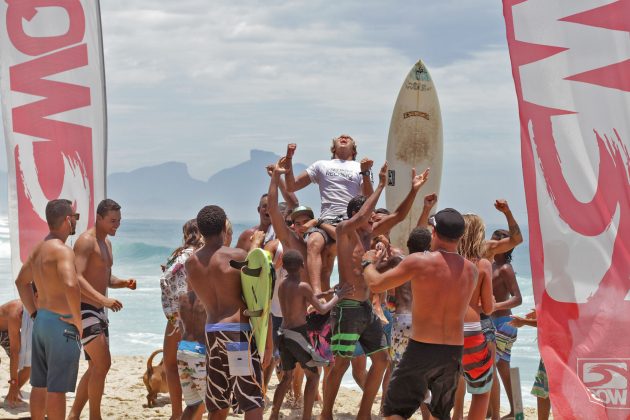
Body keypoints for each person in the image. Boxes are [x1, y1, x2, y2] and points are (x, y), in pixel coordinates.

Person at [363, 208, 478, 420]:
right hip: (453, 351)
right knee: (439, 413)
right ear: (460, 237)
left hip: (422, 348)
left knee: (395, 411)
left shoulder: (419, 261)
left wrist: (367, 262)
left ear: (433, 232)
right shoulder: (471, 270)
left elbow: (376, 284)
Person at [185, 205, 270, 419]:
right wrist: (257, 246)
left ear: (201, 230)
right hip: (236, 335)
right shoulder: (237, 255)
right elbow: (254, 287)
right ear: (224, 227)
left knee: (218, 400)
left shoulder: (191, 264)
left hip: (212, 334)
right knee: (251, 399)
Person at [320, 163, 389, 420]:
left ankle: (364, 414)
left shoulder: (370, 239)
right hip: (347, 308)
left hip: (365, 308)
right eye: (369, 216)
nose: (372, 220)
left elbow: (398, 217)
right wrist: (379, 184)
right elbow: (360, 217)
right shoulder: (344, 231)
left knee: (382, 360)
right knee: (340, 365)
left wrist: (415, 193)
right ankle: (326, 414)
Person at [66, 199, 136, 420]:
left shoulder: (107, 243)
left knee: (96, 366)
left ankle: (74, 414)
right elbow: (76, 279)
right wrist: (103, 301)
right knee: (103, 364)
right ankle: (95, 416)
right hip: (84, 308)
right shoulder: (86, 242)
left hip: (98, 311)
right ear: (99, 218)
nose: (117, 225)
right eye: (113, 221)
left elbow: (102, 278)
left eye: (119, 221)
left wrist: (122, 282)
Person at [15, 199, 82, 420]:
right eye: (75, 217)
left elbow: (20, 282)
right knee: (57, 388)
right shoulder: (62, 251)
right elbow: (71, 284)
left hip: (42, 321)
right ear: (67, 220)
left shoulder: (38, 249)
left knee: (39, 383)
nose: (75, 221)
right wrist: (77, 319)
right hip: (61, 324)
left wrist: (34, 312)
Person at [284, 137, 374, 295]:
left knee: (352, 261)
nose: (344, 137)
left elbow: (369, 199)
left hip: (349, 220)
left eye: (348, 138)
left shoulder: (360, 167)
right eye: (340, 138)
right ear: (333, 149)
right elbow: (292, 185)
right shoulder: (321, 165)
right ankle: (317, 293)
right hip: (326, 220)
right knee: (313, 242)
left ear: (354, 150)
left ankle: (354, 296)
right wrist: (289, 160)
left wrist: (366, 172)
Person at [270, 250, 351, 420]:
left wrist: (326, 293)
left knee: (286, 378)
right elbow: (321, 309)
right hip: (297, 335)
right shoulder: (303, 286)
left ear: (283, 266)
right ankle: (306, 417)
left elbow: (300, 299)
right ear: (302, 266)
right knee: (313, 376)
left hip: (283, 333)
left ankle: (274, 415)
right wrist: (338, 296)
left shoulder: (283, 284)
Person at [158, 219, 204, 420]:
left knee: (171, 365)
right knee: (200, 367)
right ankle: (198, 410)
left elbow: (167, 281)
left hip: (174, 318)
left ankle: (176, 413)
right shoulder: (202, 256)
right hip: (195, 317)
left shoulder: (176, 255)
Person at [452, 214, 495, 420]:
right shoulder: (483, 264)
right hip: (471, 331)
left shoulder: (448, 260)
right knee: (481, 389)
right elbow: (488, 308)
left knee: (444, 390)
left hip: (446, 330)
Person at [489, 229, 523, 420]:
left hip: (503, 322)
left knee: (498, 367)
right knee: (499, 367)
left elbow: (518, 298)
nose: (491, 244)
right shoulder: (491, 265)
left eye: (495, 241)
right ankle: (510, 410)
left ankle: (513, 411)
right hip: (492, 322)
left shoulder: (505, 268)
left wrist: (495, 305)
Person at [509, 310, 550, 420]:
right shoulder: (566, 296)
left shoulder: (566, 295)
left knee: (543, 389)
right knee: (544, 389)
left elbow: (552, 323)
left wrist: (524, 321)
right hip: (558, 348)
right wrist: (540, 312)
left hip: (557, 349)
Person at [176, 282, 208, 420]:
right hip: (199, 352)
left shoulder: (182, 298)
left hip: (183, 350)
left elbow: (181, 327)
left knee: (192, 404)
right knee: (215, 405)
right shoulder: (208, 297)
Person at [0, 294, 35, 408]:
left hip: (7, 331)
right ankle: (13, 389)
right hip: (5, 328)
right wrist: (13, 383)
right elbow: (15, 352)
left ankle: (12, 394)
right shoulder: (17, 312)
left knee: (29, 364)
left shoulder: (36, 309)